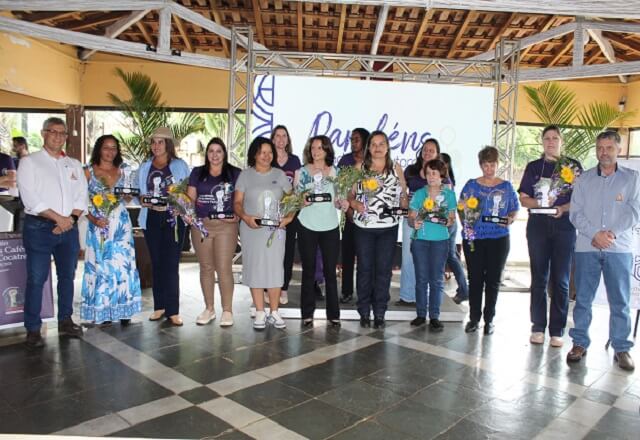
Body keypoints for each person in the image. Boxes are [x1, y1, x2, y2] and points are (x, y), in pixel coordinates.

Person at [567, 131, 640, 371]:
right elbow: (575, 213)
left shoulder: (632, 179)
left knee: (620, 301)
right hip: (587, 247)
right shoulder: (584, 179)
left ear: (619, 149)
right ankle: (579, 343)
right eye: (600, 148)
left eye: (609, 148)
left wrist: (611, 234)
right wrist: (595, 234)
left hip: (619, 249)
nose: (604, 152)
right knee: (583, 299)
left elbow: (635, 211)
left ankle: (621, 348)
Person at [17, 117, 88, 348]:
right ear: (43, 133)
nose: (58, 136)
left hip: (68, 228)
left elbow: (82, 196)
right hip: (39, 228)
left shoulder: (74, 164)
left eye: (62, 133)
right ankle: (33, 328)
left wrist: (70, 220)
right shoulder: (30, 162)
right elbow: (30, 197)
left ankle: (65, 320)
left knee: (67, 276)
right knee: (37, 278)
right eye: (53, 131)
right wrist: (59, 219)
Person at [518, 125, 582, 347]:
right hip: (538, 226)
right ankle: (537, 327)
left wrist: (562, 208)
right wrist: (541, 204)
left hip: (564, 227)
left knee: (561, 280)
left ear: (561, 141)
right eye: (547, 138)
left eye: (555, 138)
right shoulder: (534, 167)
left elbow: (581, 199)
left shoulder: (573, 167)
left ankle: (557, 330)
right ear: (542, 141)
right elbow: (523, 198)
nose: (551, 142)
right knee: (539, 278)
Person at [348, 130, 408, 329]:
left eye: (381, 144)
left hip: (388, 228)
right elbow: (349, 194)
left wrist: (405, 206)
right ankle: (364, 312)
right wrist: (354, 203)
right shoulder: (360, 168)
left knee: (383, 271)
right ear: (368, 148)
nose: (377, 148)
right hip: (364, 227)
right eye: (373, 144)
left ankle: (380, 312)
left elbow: (403, 194)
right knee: (364, 269)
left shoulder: (396, 168)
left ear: (388, 147)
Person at [80, 135, 142, 325]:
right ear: (99, 149)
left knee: (123, 265)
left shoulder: (124, 170)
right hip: (99, 224)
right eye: (106, 147)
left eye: (114, 148)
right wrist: (93, 219)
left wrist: (128, 194)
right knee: (101, 266)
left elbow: (130, 197)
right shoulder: (87, 171)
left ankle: (124, 308)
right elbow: (79, 201)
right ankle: (103, 309)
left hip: (121, 224)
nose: (110, 151)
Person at [234, 136, 293, 329]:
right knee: (255, 267)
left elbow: (293, 200)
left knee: (275, 268)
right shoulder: (245, 175)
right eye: (262, 152)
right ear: (254, 154)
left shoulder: (280, 174)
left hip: (275, 231)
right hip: (252, 230)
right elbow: (237, 203)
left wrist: (288, 218)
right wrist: (245, 217)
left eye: (269, 152)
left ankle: (274, 312)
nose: (266, 156)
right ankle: (260, 312)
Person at [460, 146, 519, 335]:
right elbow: (461, 207)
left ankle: (489, 320)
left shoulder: (506, 187)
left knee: (493, 281)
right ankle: (474, 319)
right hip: (474, 239)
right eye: (486, 165)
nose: (489, 169)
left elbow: (515, 208)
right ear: (480, 165)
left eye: (492, 165)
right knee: (475, 279)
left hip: (499, 239)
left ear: (497, 164)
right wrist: (466, 223)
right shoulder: (471, 185)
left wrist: (510, 218)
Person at [138, 127, 190, 326]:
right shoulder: (145, 166)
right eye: (153, 142)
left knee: (171, 264)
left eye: (160, 142)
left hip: (172, 219)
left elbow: (188, 192)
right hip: (151, 218)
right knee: (156, 263)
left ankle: (173, 310)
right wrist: (142, 199)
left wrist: (180, 206)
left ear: (168, 144)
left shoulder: (179, 165)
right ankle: (159, 306)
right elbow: (139, 193)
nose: (156, 146)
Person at [187, 138, 241, 327]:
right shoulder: (197, 172)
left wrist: (237, 215)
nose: (215, 155)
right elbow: (190, 199)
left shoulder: (235, 173)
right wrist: (188, 214)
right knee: (206, 267)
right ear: (207, 154)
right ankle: (209, 308)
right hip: (201, 226)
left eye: (219, 151)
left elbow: (240, 200)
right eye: (211, 151)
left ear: (224, 153)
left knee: (224, 267)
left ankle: (227, 310)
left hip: (226, 226)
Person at [295, 135, 344, 327]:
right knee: (308, 271)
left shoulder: (335, 172)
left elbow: (339, 199)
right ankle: (307, 313)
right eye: (313, 148)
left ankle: (334, 314)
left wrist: (342, 203)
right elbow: (295, 201)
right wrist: (302, 201)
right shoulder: (301, 172)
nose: (316, 152)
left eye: (320, 148)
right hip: (307, 225)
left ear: (327, 150)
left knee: (330, 272)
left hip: (330, 226)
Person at [408, 159, 456, 331]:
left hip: (440, 241)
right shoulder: (419, 193)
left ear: (442, 175)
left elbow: (452, 218)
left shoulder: (449, 195)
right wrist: (413, 222)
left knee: (436, 280)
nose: (431, 177)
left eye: (434, 173)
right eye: (428, 173)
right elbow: (411, 216)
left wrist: (448, 221)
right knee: (421, 279)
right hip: (420, 240)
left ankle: (435, 316)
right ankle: (421, 314)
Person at [399, 138, 439, 306]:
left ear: (437, 153)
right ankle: (407, 296)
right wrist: (404, 200)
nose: (427, 152)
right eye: (425, 149)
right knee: (407, 257)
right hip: (411, 218)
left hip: (431, 222)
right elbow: (402, 191)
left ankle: (424, 297)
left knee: (426, 259)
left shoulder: (441, 171)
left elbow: (447, 193)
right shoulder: (411, 170)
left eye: (431, 150)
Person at [337, 127, 369, 304]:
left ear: (365, 141)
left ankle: (365, 292)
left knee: (366, 257)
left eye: (356, 139)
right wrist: (349, 210)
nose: (353, 142)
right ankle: (347, 291)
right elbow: (341, 188)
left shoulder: (372, 160)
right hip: (348, 214)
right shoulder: (345, 160)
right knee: (347, 254)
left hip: (369, 216)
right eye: (351, 139)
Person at [271, 125, 301, 305]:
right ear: (272, 139)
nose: (281, 139)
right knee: (270, 251)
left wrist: (291, 208)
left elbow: (296, 189)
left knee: (287, 251)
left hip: (289, 213)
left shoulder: (294, 160)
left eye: (284, 136)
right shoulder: (267, 159)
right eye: (278, 136)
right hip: (270, 213)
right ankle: (268, 287)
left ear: (288, 140)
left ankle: (283, 288)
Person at [441, 152, 469, 304]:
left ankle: (463, 290)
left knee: (449, 257)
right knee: (451, 257)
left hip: (446, 223)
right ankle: (463, 289)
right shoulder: (448, 180)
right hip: (449, 222)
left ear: (446, 166)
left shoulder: (445, 181)